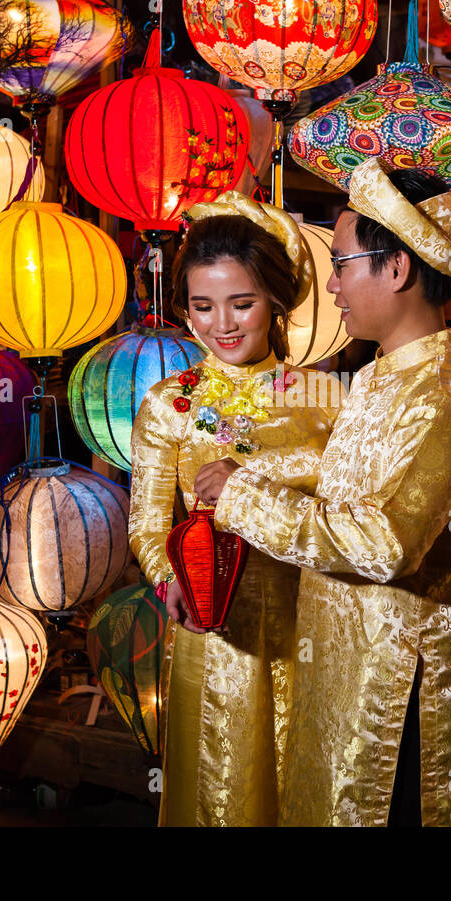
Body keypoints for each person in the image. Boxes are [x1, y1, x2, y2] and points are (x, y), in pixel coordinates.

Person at [194, 158, 451, 826]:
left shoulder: (442, 401)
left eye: (342, 263)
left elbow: (384, 542)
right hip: (345, 662)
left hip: (398, 688)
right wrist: (251, 468)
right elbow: (338, 468)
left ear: (397, 268)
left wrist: (243, 497)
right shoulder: (384, 379)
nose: (330, 287)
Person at [128, 192, 341, 827]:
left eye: (241, 303)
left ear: (276, 299)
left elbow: (350, 516)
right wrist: (170, 582)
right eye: (201, 306)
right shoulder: (170, 404)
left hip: (313, 628)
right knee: (220, 795)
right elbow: (146, 525)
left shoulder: (327, 398)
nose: (222, 324)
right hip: (212, 633)